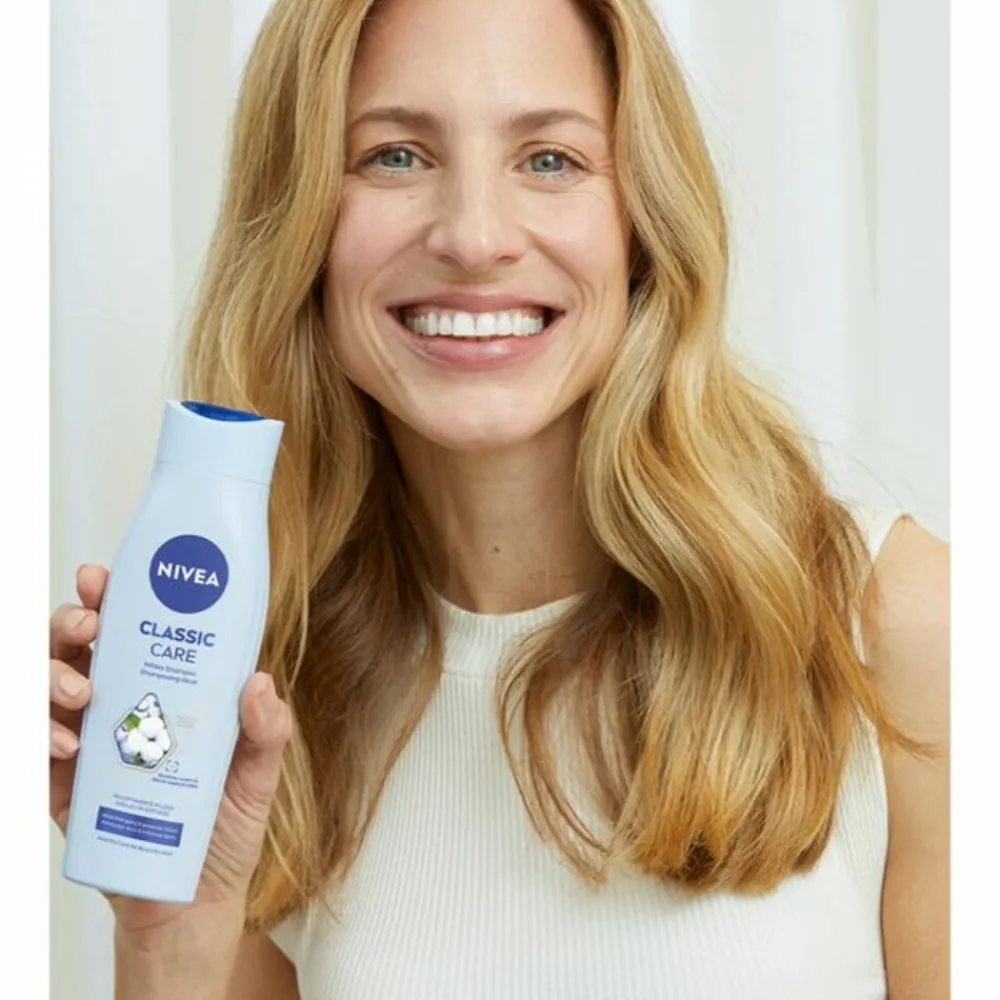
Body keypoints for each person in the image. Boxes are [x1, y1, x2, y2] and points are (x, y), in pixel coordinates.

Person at [49, 0, 949, 996]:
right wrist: (169, 940)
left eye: (550, 160)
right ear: (297, 219)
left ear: (642, 221)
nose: (475, 237)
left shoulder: (902, 626)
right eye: (393, 156)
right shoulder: (264, 686)